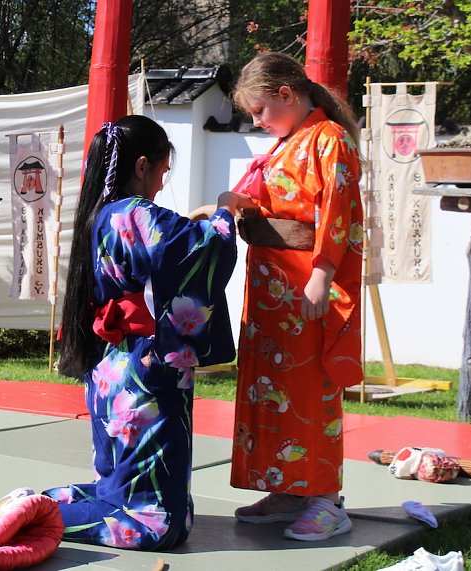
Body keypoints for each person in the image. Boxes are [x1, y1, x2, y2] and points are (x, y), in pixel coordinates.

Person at [43, 115, 252, 550]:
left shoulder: (104, 214)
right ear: (141, 166)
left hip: (111, 362)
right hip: (145, 371)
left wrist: (197, 219)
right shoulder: (134, 212)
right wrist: (226, 208)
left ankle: (48, 506)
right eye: (161, 172)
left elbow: (165, 241)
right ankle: (40, 513)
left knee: (123, 481)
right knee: (157, 523)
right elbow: (200, 248)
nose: (160, 183)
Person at [227, 52, 364, 541]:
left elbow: (338, 209)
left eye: (261, 111)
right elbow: (272, 201)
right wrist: (241, 203)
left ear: (287, 94)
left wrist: (323, 273)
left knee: (310, 388)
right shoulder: (289, 143)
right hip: (272, 288)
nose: (259, 122)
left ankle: (327, 498)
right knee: (272, 388)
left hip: (304, 282)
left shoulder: (328, 139)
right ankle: (288, 487)